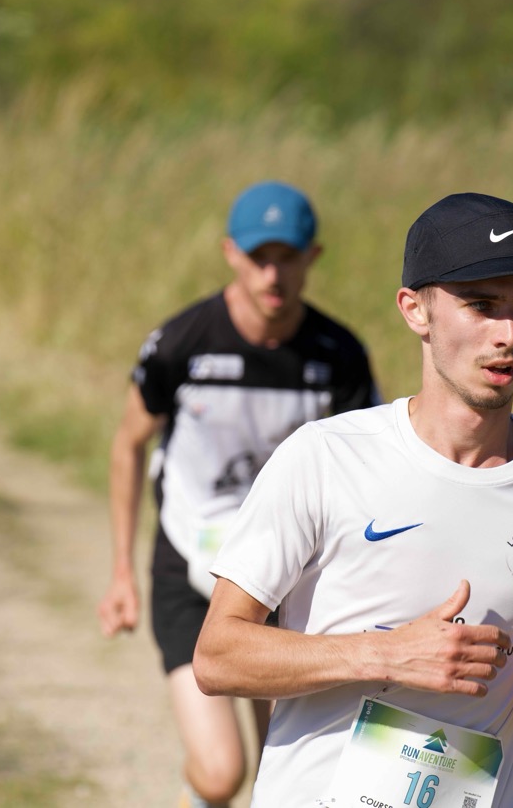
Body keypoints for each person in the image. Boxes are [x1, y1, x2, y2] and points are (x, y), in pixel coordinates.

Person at [193, 192, 513, 807]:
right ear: (415, 311)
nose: (509, 334)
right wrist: (387, 654)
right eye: (481, 306)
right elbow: (218, 656)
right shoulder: (326, 458)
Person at [97, 180, 380, 807]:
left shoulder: (340, 356)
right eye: (258, 257)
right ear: (230, 253)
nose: (272, 274)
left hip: (286, 574)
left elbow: (367, 473)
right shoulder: (182, 342)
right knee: (221, 773)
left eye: (288, 257)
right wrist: (121, 572)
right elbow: (128, 444)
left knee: (287, 780)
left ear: (313, 257)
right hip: (189, 565)